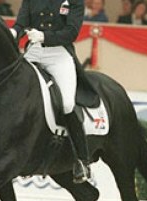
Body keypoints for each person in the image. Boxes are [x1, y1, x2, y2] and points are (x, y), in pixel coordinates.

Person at [10, 0, 91, 183]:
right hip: (34, 52)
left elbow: (71, 32)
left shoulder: (74, 1)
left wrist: (44, 37)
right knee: (9, 89)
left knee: (68, 104)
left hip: (59, 54)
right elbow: (21, 24)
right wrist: (13, 32)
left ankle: (82, 160)